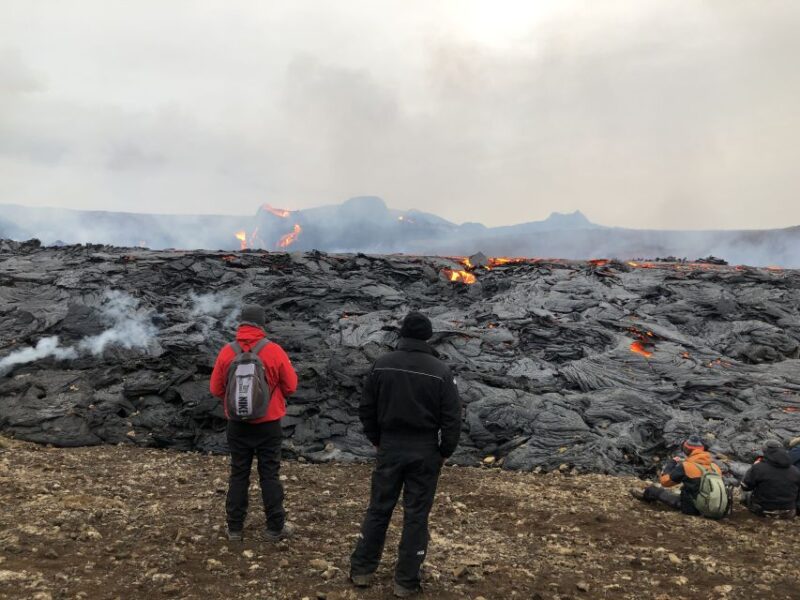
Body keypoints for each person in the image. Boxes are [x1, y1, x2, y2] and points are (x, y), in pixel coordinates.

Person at [349, 311, 462, 598]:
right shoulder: (440, 371)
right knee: (416, 514)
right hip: (424, 450)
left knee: (378, 508)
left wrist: (377, 440)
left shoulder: (382, 365)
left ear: (401, 334)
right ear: (427, 336)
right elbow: (452, 418)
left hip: (390, 446)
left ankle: (362, 569)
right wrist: (444, 451)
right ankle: (406, 580)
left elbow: (366, 409)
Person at [210, 304, 298, 541]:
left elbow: (215, 388)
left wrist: (236, 403)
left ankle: (235, 528)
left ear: (241, 324)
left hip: (237, 424)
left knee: (239, 473)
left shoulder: (227, 351)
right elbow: (291, 386)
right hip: (269, 423)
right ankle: (275, 527)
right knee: (269, 473)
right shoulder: (274, 351)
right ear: (261, 325)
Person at [630, 435, 726, 516]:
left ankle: (645, 496)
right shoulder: (715, 467)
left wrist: (671, 464)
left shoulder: (686, 466)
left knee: (653, 490)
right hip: (715, 508)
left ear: (686, 450)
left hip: (692, 509)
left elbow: (665, 482)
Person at [740, 440, 800, 519]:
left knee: (745, 487)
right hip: (789, 513)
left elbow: (745, 487)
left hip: (763, 511)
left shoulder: (758, 467)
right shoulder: (795, 470)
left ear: (765, 452)